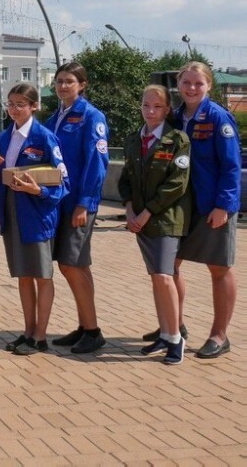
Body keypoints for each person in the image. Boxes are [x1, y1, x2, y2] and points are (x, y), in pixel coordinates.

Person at [0, 84, 69, 356]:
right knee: (23, 274)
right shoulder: (5, 138)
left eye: (21, 103)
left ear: (34, 107)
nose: (14, 109)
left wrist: (38, 190)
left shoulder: (45, 137)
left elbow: (63, 182)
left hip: (37, 213)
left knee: (42, 275)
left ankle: (41, 335)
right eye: (11, 103)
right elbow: (1, 182)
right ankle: (28, 330)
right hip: (11, 212)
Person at [169, 61, 239, 359]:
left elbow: (231, 166)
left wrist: (223, 205)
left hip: (212, 206)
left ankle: (219, 335)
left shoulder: (218, 118)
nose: (192, 88)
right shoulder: (174, 118)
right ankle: (175, 325)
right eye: (187, 82)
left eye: (198, 83)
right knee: (168, 264)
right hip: (181, 207)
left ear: (208, 85)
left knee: (219, 268)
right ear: (178, 84)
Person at [119, 85, 191, 365]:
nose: (151, 111)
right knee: (157, 278)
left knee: (164, 276)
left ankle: (176, 338)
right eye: (146, 105)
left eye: (157, 106)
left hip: (166, 219)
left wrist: (146, 213)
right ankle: (164, 333)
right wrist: (128, 210)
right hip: (141, 220)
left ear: (167, 110)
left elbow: (177, 184)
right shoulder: (134, 139)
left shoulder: (177, 140)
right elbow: (125, 179)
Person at [45, 61, 110, 354]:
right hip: (59, 201)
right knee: (73, 264)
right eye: (59, 81)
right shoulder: (54, 118)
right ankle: (85, 326)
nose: (62, 86)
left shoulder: (91, 117)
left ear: (82, 85)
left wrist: (85, 203)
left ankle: (93, 330)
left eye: (69, 81)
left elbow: (97, 163)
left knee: (73, 263)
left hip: (78, 204)